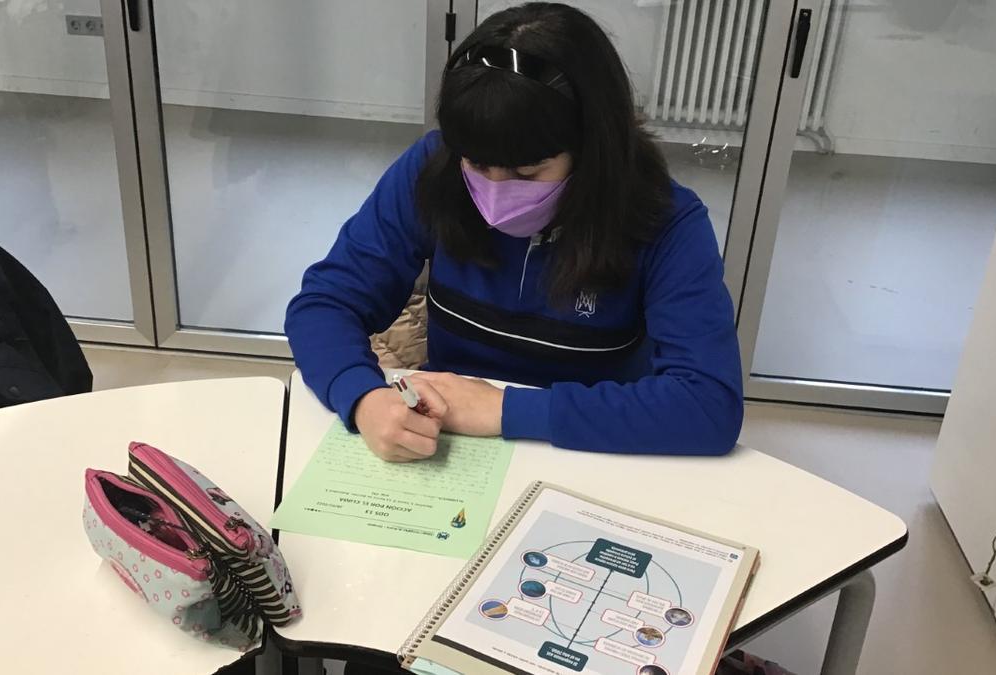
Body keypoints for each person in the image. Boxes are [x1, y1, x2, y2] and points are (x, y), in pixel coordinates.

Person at [285, 2, 743, 464]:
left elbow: (708, 404)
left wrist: (504, 409)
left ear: (591, 150)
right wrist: (363, 397)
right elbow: (325, 303)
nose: (496, 191)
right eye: (478, 165)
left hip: (593, 445)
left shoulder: (665, 220)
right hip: (447, 443)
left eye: (528, 173)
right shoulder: (434, 167)